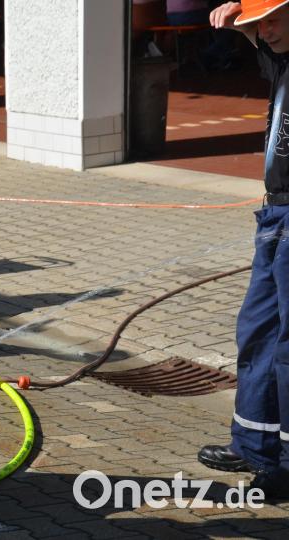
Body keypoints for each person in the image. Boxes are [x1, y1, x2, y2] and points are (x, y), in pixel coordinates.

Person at [198, 0, 289, 499]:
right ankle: (255, 442)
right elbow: (255, 31)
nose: (265, 31)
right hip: (275, 215)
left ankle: (286, 462)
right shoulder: (280, 59)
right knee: (257, 330)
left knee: (288, 345)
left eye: (273, 19)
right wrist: (239, 16)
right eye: (261, 24)